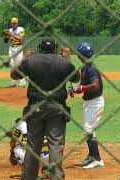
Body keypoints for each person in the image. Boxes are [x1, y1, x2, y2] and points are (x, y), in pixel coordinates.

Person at [10, 38, 80, 180]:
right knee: (55, 145)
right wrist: (67, 58)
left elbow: (14, 75)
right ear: (55, 49)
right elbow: (76, 78)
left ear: (40, 48)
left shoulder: (31, 61)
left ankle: (28, 177)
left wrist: (25, 58)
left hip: (35, 107)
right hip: (56, 107)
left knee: (32, 146)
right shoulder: (62, 62)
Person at [69, 42, 105, 169]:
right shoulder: (86, 67)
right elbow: (79, 81)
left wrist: (81, 88)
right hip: (90, 102)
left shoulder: (91, 69)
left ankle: (97, 159)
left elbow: (96, 86)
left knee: (88, 129)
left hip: (95, 103)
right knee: (87, 129)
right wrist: (75, 89)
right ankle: (91, 156)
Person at [4, 17, 26, 87]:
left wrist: (11, 35)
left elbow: (21, 40)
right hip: (11, 48)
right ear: (11, 23)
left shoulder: (21, 29)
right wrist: (5, 36)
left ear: (17, 23)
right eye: (13, 23)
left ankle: (22, 83)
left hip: (18, 48)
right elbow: (5, 41)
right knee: (12, 65)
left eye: (15, 23)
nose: (14, 24)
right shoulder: (9, 30)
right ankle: (13, 82)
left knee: (20, 65)